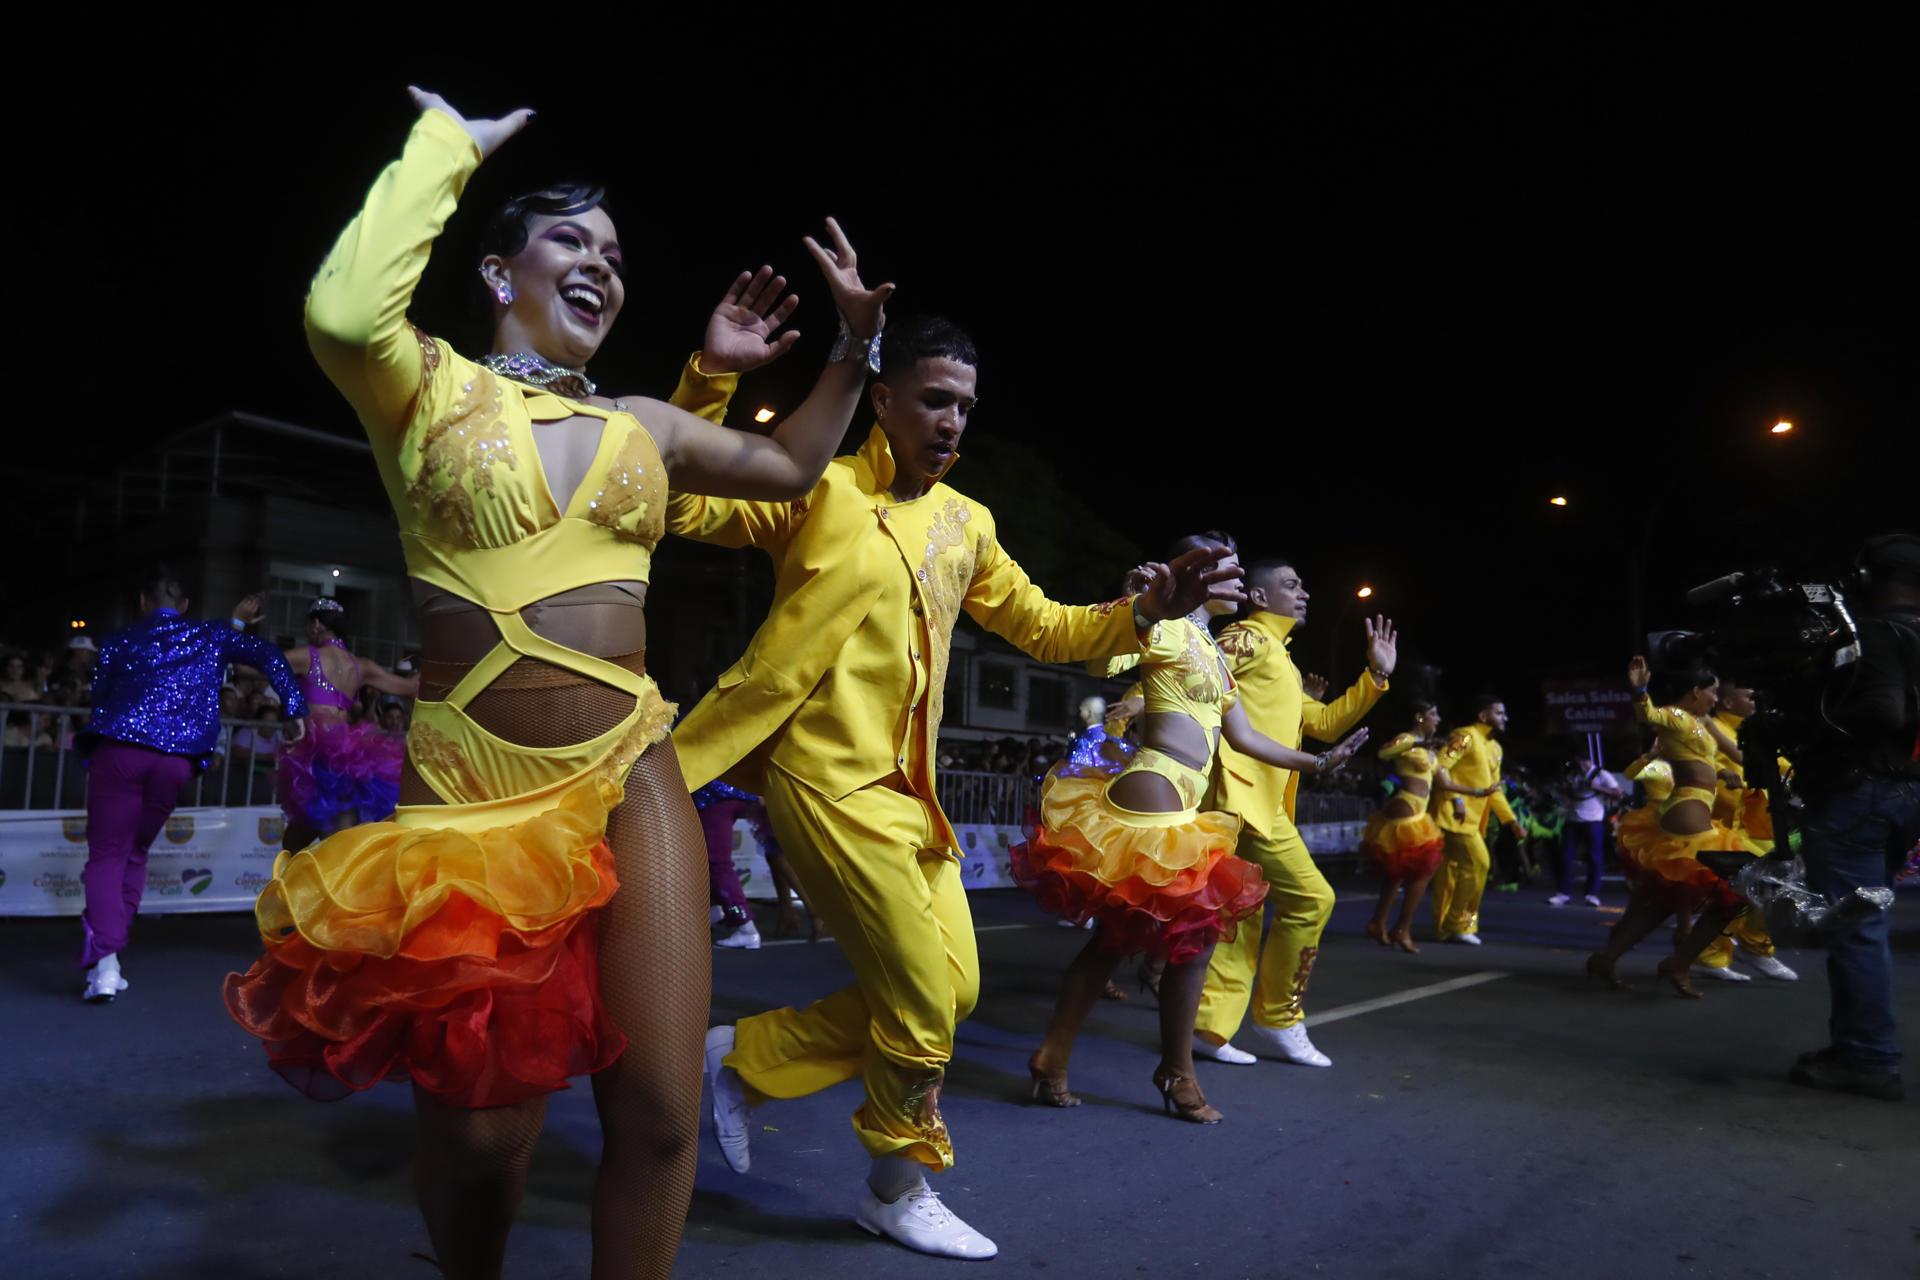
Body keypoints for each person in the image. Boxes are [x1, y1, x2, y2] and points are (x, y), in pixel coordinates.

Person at [223, 86, 893, 1280]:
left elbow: (792, 467)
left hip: (630, 768)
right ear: (498, 273)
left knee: (662, 1109)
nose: (602, 264)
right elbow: (338, 308)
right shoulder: (425, 387)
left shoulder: (647, 422)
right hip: (471, 790)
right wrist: (447, 149)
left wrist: (852, 345)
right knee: (485, 1128)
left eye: (616, 253)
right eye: (571, 240)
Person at [674, 318, 1239, 1260]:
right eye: (935, 399)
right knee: (921, 1003)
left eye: (967, 407)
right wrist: (710, 378)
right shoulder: (813, 479)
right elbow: (690, 499)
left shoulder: (965, 522)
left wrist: (1143, 611)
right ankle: (896, 1184)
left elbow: (1051, 629)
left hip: (913, 798)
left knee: (957, 991)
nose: (953, 421)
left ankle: (747, 1056)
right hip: (821, 776)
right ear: (883, 400)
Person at [1019, 542, 1370, 1122]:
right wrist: (1134, 603)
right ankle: (1175, 1071)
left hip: (1182, 799)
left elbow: (1247, 738)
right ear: (1197, 577)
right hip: (1155, 787)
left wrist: (1322, 765)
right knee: (1195, 938)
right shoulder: (1166, 629)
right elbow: (1100, 663)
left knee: (1116, 940)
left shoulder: (1214, 651)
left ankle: (1054, 1056)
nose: (1238, 577)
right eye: (1226, 567)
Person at [1191, 559, 1393, 1069]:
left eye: (1302, 584)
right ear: (1259, 598)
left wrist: (1375, 676)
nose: (1303, 592)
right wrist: (1131, 708)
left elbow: (1323, 722)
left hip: (1256, 805)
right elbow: (1190, 673)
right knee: (1312, 899)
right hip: (1240, 801)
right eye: (1290, 585)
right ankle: (1280, 1016)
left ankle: (1210, 1027)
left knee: (1244, 912)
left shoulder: (1279, 658)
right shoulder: (1248, 640)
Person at [81, 570, 307, 1001]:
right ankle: (108, 954)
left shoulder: (118, 639)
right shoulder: (209, 634)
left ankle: (105, 962)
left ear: (144, 600)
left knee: (108, 855)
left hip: (120, 753)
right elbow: (271, 657)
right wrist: (293, 709)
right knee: (135, 852)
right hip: (175, 763)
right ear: (184, 605)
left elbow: (99, 696)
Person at [1787, 533, 1920, 1101]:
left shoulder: (1879, 633)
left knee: (1856, 927)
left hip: (1862, 789)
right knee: (1862, 921)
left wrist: (1810, 728)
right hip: (1905, 795)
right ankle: (1855, 1047)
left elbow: (1880, 709)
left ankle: (1868, 1057)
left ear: (1868, 580)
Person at [1585, 661, 1755, 997]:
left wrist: (1724, 772)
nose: (1716, 699)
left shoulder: (1701, 722)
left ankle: (1608, 958)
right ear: (1695, 691)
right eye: (1712, 692)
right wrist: (1638, 690)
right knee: (1736, 895)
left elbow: (1732, 754)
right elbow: (1648, 714)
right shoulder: (1676, 716)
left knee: (1664, 897)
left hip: (1692, 811)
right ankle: (1678, 963)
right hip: (1687, 810)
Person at [259, 596, 417, 850]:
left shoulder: (308, 657)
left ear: (317, 624)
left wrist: (236, 627)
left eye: (308, 626)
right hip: (349, 757)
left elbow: (258, 663)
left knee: (308, 845)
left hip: (318, 756)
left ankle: (320, 884)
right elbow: (410, 687)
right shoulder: (361, 666)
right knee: (317, 841)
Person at [1690, 683, 1798, 982]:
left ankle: (1744, 948)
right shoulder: (1711, 728)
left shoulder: (1756, 727)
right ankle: (1714, 954)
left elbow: (1781, 768)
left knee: (1766, 889)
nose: (1757, 700)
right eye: (1749, 696)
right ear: (1726, 699)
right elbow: (1733, 770)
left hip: (1764, 824)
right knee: (1740, 891)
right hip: (1731, 826)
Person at [1429, 695, 1528, 944]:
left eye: (1504, 713)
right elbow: (1441, 766)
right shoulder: (1465, 735)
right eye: (1499, 713)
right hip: (1453, 817)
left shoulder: (1495, 748)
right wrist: (1456, 799)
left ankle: (1451, 928)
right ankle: (1456, 925)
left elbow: (1494, 790)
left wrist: (1511, 821)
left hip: (1473, 822)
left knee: (1454, 874)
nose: (1505, 717)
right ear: (1483, 716)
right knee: (1478, 865)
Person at [1362, 700, 1449, 952]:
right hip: (1406, 807)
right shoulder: (1406, 740)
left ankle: (1379, 923)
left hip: (1421, 812)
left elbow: (1444, 782)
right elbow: (1383, 753)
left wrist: (1480, 791)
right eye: (1434, 714)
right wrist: (1420, 743)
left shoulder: (1430, 751)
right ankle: (1401, 928)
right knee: (1421, 870)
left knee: (1398, 871)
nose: (1438, 719)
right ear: (1419, 717)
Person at [1549, 757, 1626, 907]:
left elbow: (1619, 794)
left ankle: (1592, 894)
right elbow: (1566, 794)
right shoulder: (1573, 774)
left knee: (1594, 858)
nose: (1581, 765)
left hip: (1593, 820)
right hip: (1572, 820)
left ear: (1589, 761)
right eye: (1578, 762)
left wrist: (1597, 787)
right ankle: (1563, 893)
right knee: (1565, 857)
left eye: (1583, 762)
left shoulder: (1601, 774)